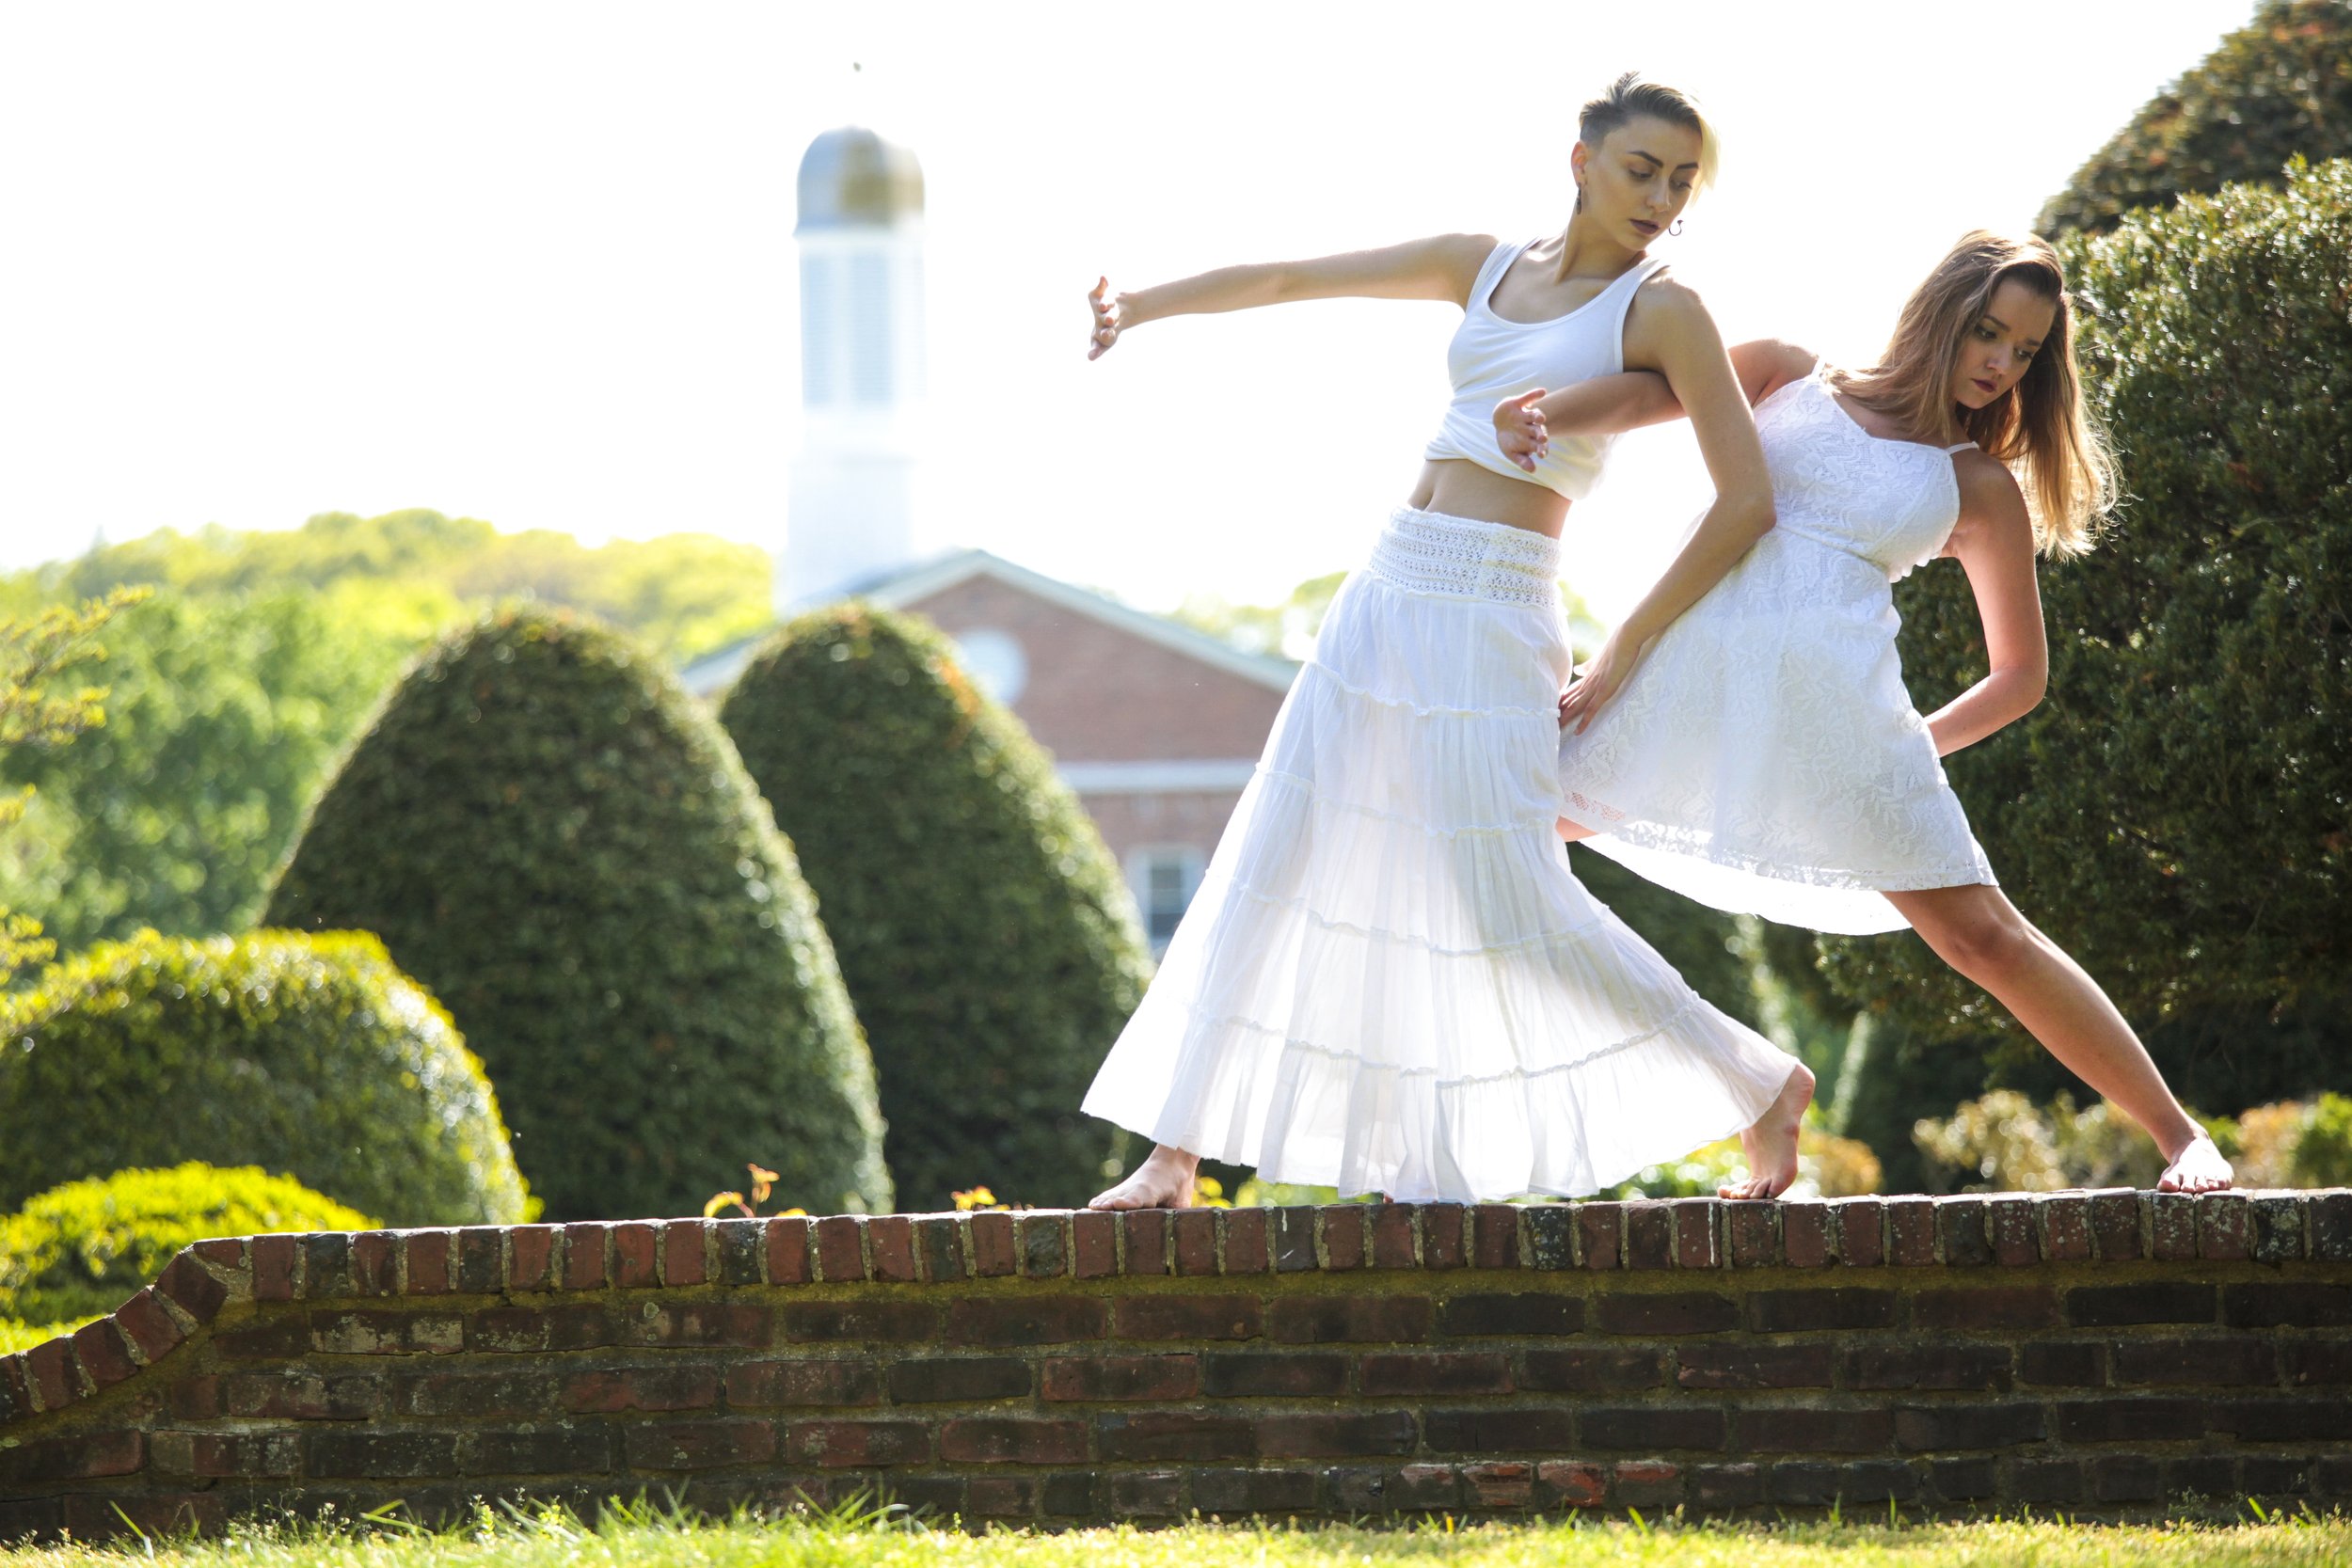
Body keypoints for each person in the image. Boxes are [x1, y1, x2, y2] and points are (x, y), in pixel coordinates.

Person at [1080, 73, 1815, 1212]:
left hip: (1495, 603)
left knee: (1501, 891)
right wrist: (1143, 303)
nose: (1661, 197)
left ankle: (1757, 1079)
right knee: (1275, 856)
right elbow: (1290, 277)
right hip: (1385, 585)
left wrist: (1622, 645)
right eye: (1640, 170)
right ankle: (1173, 1155)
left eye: (1680, 180)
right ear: (1579, 159)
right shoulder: (1480, 262)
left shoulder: (1664, 309)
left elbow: (1746, 500)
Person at [1500, 230, 2232, 1194]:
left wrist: (1904, 748)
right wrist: (1541, 411)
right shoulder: (1784, 374)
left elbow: (2019, 676)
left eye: (2023, 352)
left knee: (1985, 938)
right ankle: (1754, 1080)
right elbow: (1644, 396)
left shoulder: (1973, 482)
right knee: (1496, 839)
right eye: (1989, 333)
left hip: (1846, 731)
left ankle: (2182, 1136)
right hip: (1669, 689)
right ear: (1940, 309)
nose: (2000, 364)